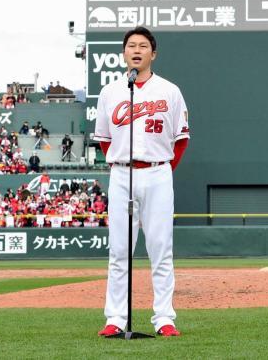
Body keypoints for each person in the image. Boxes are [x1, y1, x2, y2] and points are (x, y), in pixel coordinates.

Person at [93, 26, 190, 338]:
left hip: (159, 172)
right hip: (121, 173)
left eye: (143, 46)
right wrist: (125, 162)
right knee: (119, 252)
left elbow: (181, 140)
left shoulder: (170, 90)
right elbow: (105, 140)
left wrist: (160, 170)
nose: (136, 50)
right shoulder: (110, 92)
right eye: (131, 45)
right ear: (124, 53)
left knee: (161, 249)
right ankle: (116, 318)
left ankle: (164, 318)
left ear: (153, 53)